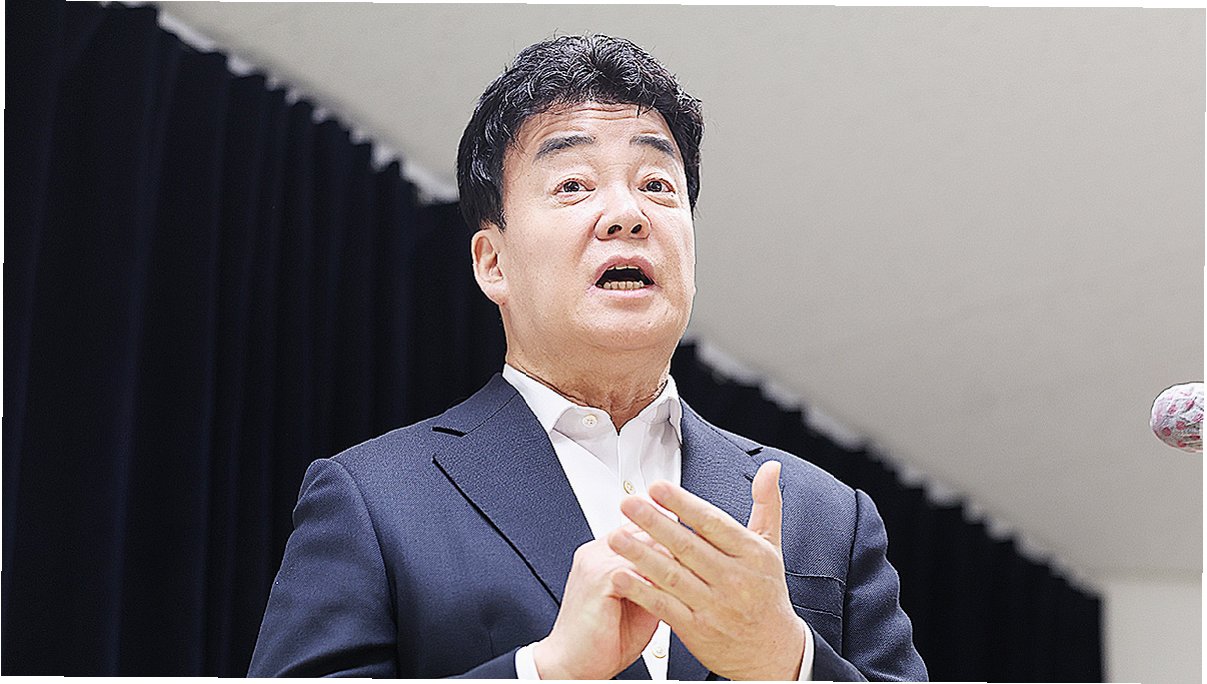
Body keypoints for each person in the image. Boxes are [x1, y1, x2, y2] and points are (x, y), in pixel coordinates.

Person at [248, 35, 927, 681]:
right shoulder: (374, 499)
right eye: (573, 185)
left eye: (657, 184)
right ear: (492, 263)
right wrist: (548, 671)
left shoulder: (826, 514)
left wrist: (787, 661)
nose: (627, 214)